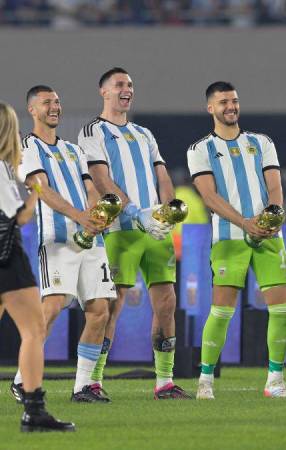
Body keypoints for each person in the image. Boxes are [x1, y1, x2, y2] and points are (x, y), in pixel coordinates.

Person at [79, 67, 191, 400]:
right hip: (120, 230)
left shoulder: (144, 133)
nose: (127, 89)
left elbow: (162, 174)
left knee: (167, 303)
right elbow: (101, 180)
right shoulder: (93, 131)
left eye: (130, 85)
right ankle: (94, 381)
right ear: (104, 91)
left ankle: (165, 382)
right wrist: (134, 213)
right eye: (119, 85)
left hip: (155, 231)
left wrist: (168, 210)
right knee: (112, 307)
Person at [187, 81, 286, 399]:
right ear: (211, 108)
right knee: (222, 311)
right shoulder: (200, 149)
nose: (231, 106)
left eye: (234, 101)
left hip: (267, 236)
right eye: (223, 102)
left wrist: (272, 216)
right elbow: (209, 196)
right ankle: (205, 380)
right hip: (230, 238)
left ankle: (275, 380)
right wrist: (245, 223)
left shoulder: (261, 142)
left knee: (283, 308)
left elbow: (274, 187)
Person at [11, 85, 117, 403]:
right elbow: (41, 188)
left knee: (100, 311)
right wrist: (78, 216)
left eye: (57, 102)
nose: (54, 107)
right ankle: (21, 380)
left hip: (91, 240)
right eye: (47, 103)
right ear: (32, 110)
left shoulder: (73, 150)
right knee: (53, 307)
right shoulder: (26, 148)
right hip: (57, 240)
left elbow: (90, 188)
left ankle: (83, 386)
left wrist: (97, 214)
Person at [0, 101, 74, 431]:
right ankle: (34, 409)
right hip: (6, 259)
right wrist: (36, 193)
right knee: (34, 330)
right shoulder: (2, 167)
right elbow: (20, 215)